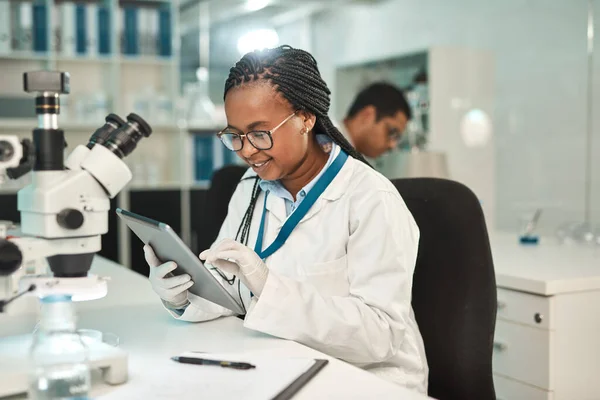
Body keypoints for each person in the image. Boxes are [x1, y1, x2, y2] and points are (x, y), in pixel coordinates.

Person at [143, 45, 428, 393]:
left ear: (305, 119)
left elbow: (379, 336)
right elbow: (229, 288)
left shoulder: (371, 199)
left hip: (369, 381)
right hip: (282, 360)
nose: (247, 150)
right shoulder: (251, 185)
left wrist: (269, 286)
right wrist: (183, 295)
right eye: (235, 135)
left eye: (260, 133)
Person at [340, 82, 412, 158]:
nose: (392, 145)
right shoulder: (331, 149)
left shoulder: (345, 153)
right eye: (392, 132)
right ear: (367, 115)